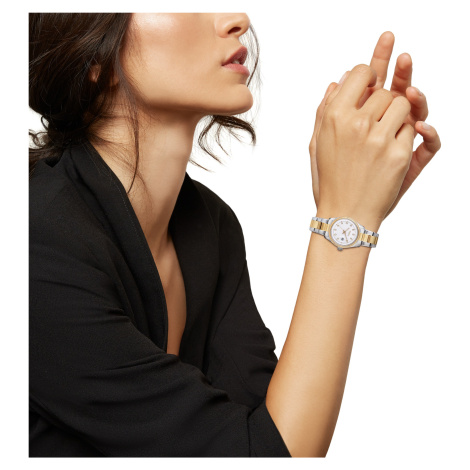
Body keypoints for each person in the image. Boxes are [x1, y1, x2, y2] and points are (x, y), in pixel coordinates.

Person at [29, 13, 441, 457]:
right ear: (94, 57)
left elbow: (275, 426)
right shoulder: (34, 246)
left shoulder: (209, 225)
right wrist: (347, 219)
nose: (237, 19)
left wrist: (351, 198)